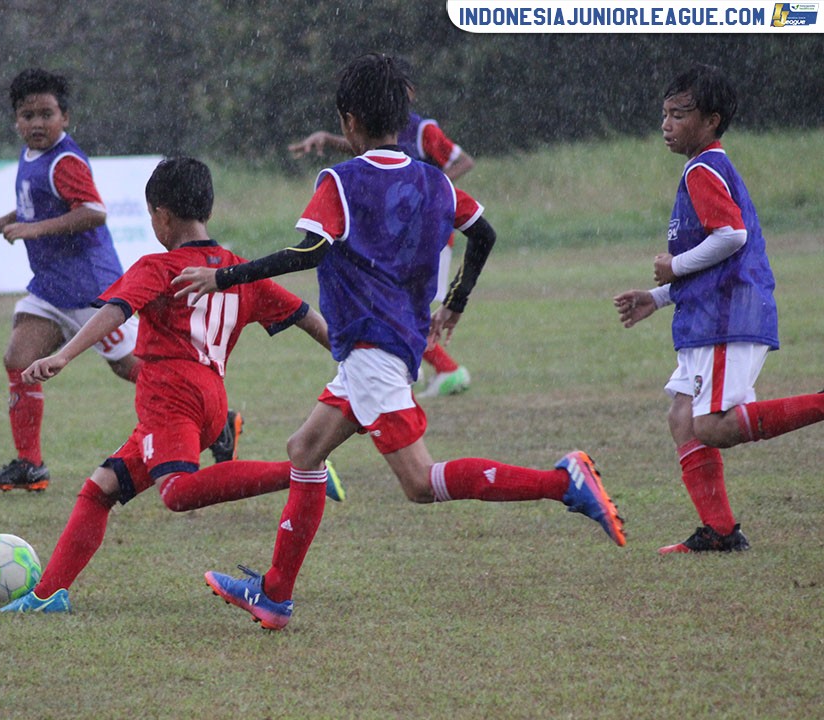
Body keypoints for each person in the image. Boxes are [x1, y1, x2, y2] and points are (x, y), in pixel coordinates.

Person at [176, 53, 625, 631]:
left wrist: (224, 276)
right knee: (305, 450)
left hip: (372, 348)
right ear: (400, 116)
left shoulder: (340, 180)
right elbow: (484, 234)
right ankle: (275, 595)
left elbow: (309, 251)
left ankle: (563, 483)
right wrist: (456, 300)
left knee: (419, 482)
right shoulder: (435, 180)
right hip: (388, 344)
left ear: (349, 121)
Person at [0, 157, 343, 613]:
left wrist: (63, 355)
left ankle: (302, 472)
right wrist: (352, 360)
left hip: (171, 396)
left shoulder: (159, 266)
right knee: (100, 489)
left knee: (177, 492)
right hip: (210, 398)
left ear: (160, 216)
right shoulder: (239, 272)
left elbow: (117, 310)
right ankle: (48, 595)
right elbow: (307, 317)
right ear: (208, 210)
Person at [614, 64, 824, 555]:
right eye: (664, 114)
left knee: (712, 425)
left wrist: (673, 266)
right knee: (682, 417)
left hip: (728, 316)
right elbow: (714, 262)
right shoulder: (702, 167)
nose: (666, 125)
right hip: (711, 312)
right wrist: (658, 298)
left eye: (679, 115)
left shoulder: (704, 168)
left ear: (711, 121)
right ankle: (721, 531)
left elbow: (732, 236)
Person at [0, 68, 146, 492]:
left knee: (133, 368)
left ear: (64, 117)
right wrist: (5, 220)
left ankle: (214, 421)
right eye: (27, 115)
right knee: (19, 358)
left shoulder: (66, 161)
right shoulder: (31, 154)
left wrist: (31, 230)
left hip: (91, 290)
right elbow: (38, 205)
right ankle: (29, 465)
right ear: (16, 119)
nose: (37, 123)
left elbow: (93, 212)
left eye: (46, 114)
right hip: (52, 287)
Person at [288, 62, 476, 399]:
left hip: (420, 234)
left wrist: (429, 193)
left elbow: (463, 162)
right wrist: (327, 139)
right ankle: (415, 366)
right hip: (386, 236)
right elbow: (368, 150)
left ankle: (442, 368)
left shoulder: (423, 131)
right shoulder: (377, 130)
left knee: (398, 307)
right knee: (393, 307)